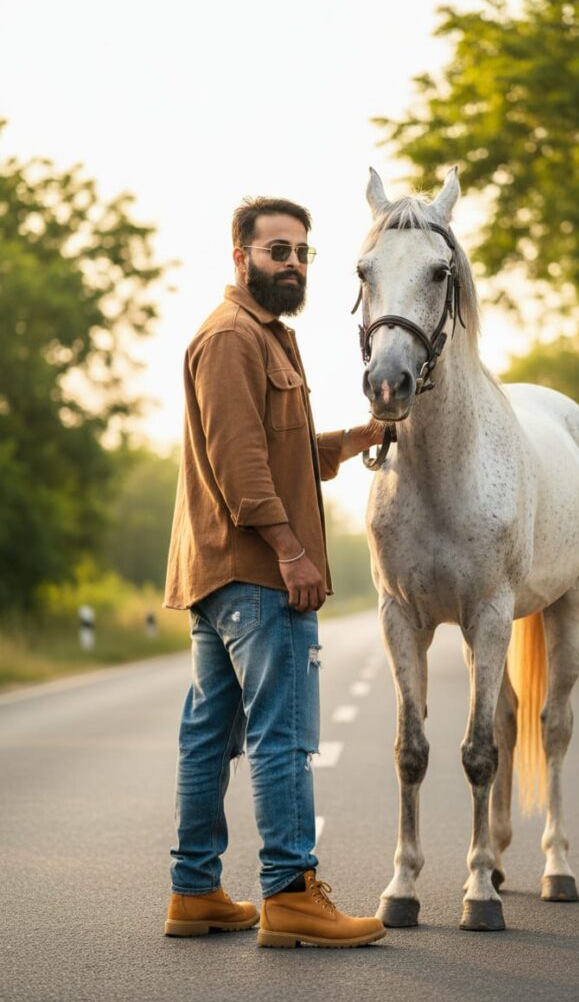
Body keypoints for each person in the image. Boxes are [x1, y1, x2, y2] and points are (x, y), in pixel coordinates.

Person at [162, 196, 386, 948]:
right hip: (257, 574)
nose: (291, 264)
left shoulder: (266, 338)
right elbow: (242, 467)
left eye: (300, 253)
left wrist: (358, 437)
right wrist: (292, 551)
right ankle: (291, 895)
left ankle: (194, 893)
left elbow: (281, 450)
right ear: (240, 257)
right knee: (282, 735)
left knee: (209, 735)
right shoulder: (231, 338)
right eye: (276, 251)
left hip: (223, 572)